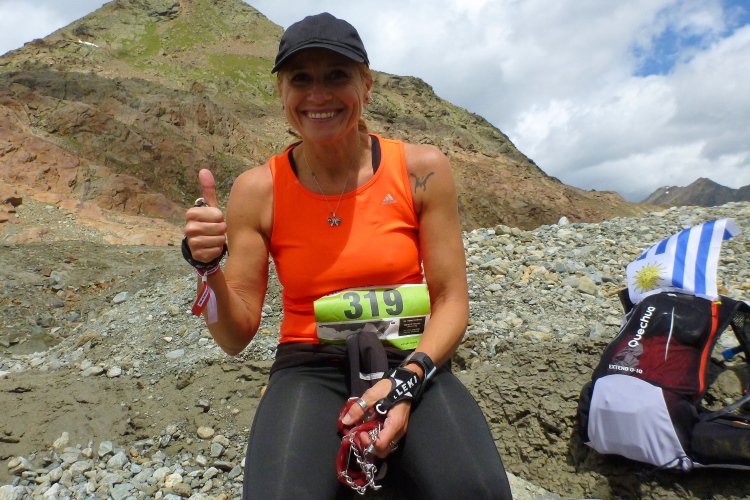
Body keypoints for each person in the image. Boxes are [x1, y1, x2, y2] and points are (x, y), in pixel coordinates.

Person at [183, 12, 513, 500]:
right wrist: (208, 268)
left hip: (411, 355)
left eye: (337, 75)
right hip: (309, 365)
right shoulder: (258, 190)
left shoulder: (421, 169)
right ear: (280, 93)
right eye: (301, 79)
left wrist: (408, 381)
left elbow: (451, 300)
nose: (318, 95)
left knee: (476, 491)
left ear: (367, 85)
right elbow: (234, 337)